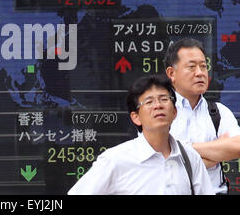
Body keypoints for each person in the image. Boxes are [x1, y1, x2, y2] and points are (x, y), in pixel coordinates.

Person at [67, 74, 214, 195]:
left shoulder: (190, 158)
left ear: (175, 112)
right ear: (135, 117)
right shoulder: (115, 160)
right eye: (148, 102)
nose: (158, 105)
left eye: (164, 99)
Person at [164, 38, 240, 194]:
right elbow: (159, 160)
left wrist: (181, 149)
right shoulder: (158, 112)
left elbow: (236, 147)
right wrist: (216, 153)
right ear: (172, 73)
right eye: (191, 67)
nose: (200, 73)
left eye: (203, 66)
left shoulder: (219, 112)